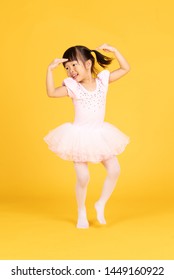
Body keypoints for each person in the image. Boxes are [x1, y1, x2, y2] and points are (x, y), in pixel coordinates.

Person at [44, 43, 130, 229]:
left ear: (88, 63)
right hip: (79, 137)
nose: (70, 70)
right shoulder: (73, 87)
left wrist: (115, 51)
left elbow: (125, 68)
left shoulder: (102, 81)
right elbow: (51, 93)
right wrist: (50, 71)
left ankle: (100, 204)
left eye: (74, 65)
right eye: (66, 68)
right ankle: (81, 211)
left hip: (100, 135)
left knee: (115, 169)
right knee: (83, 177)